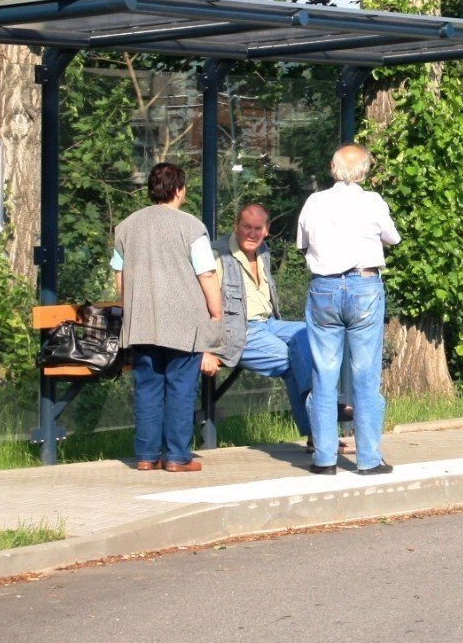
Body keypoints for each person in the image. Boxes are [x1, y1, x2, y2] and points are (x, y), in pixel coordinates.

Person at [112, 162, 221, 472]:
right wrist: (215, 313)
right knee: (180, 388)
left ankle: (146, 456)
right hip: (183, 323)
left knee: (147, 388)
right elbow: (207, 274)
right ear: (179, 190)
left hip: (142, 322)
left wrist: (130, 304)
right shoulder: (191, 227)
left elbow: (119, 273)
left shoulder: (127, 226)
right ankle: (176, 456)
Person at [297, 143, 398, 475]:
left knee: (324, 374)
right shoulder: (372, 201)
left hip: (324, 287)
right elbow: (392, 238)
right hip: (364, 285)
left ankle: (324, 458)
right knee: (365, 375)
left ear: (332, 167)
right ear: (365, 170)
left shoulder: (314, 201)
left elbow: (303, 244)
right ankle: (368, 458)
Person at [210, 203, 316, 442]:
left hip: (270, 323)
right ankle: (319, 430)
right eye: (246, 226)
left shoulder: (263, 250)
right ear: (235, 226)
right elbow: (203, 301)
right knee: (293, 360)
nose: (252, 233)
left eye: (258, 228)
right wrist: (206, 346)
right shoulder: (218, 254)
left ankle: (321, 419)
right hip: (238, 329)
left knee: (312, 334)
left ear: (266, 230)